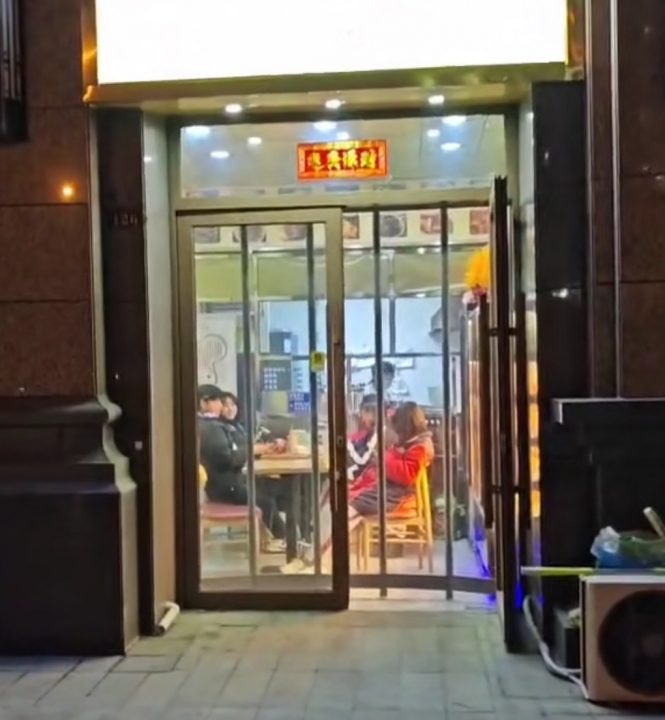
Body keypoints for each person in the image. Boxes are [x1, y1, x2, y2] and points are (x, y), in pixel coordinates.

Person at [282, 401, 434, 573]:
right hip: (383, 490)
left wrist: (383, 459)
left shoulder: (420, 447)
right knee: (332, 502)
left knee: (342, 511)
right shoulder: (411, 442)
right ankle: (309, 558)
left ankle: (318, 562)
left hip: (395, 497)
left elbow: (406, 475)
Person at [197, 384, 287, 553]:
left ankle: (277, 537)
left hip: (225, 483)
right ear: (204, 403)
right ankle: (284, 539)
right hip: (225, 488)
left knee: (268, 490)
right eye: (218, 401)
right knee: (265, 500)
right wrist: (253, 450)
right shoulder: (210, 428)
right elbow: (227, 459)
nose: (222, 406)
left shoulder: (210, 425)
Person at [347, 394, 378, 482]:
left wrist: (347, 445)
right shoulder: (371, 432)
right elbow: (361, 446)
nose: (361, 417)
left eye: (363, 413)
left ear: (371, 412)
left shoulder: (379, 434)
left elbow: (362, 460)